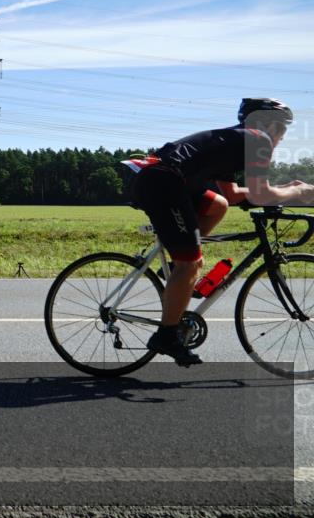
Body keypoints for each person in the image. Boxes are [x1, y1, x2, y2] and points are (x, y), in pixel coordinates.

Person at [129, 98, 314, 366]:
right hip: (164, 183)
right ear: (269, 125)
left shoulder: (236, 140)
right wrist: (299, 191)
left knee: (218, 205)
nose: (282, 137)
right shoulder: (257, 140)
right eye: (283, 129)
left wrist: (284, 188)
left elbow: (234, 194)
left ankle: (177, 266)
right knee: (190, 263)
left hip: (164, 179)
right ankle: (166, 335)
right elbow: (262, 193)